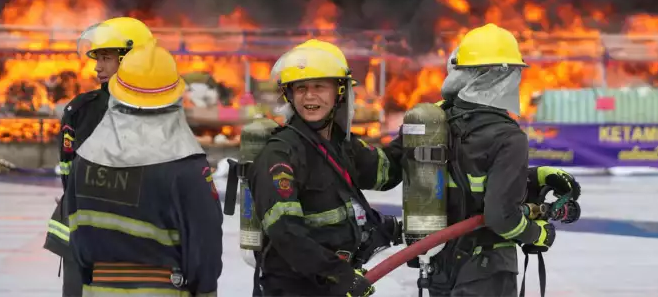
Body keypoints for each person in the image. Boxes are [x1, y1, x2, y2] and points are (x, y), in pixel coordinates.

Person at [383, 22, 581, 297]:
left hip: (440, 265)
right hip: (487, 272)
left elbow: (466, 176)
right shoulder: (508, 137)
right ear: (505, 75)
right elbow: (502, 218)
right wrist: (538, 235)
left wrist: (533, 176)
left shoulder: (436, 123)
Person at [65, 42, 224, 296]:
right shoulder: (186, 168)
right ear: (173, 98)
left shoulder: (84, 160)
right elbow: (205, 247)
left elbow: (76, 237)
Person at [247, 42, 403, 296]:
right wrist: (340, 275)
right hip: (294, 289)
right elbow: (286, 233)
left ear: (339, 92)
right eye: (301, 88)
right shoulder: (281, 154)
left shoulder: (341, 146)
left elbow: (386, 173)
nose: (309, 96)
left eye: (319, 86)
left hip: (331, 287)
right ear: (289, 95)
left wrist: (419, 133)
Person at [43, 17, 155, 297]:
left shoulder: (153, 111)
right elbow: (69, 169)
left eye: (106, 58)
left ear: (131, 60)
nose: (97, 67)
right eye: (97, 58)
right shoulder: (82, 110)